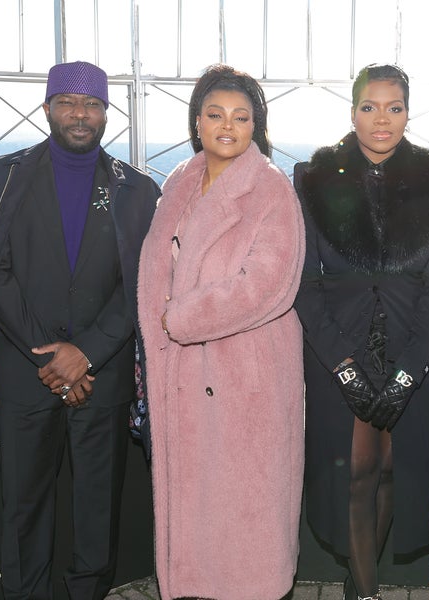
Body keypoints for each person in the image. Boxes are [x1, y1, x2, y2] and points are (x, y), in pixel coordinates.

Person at [0, 61, 160, 600]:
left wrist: (88, 353)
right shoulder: (0, 178)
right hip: (25, 373)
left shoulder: (138, 191)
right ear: (47, 109)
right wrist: (53, 357)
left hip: (102, 377)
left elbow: (144, 286)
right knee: (23, 508)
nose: (80, 115)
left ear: (108, 113)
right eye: (68, 103)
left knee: (97, 510)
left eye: (92, 105)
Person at [135, 64, 306, 600]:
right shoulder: (180, 182)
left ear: (257, 124)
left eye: (240, 116)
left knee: (245, 514)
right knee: (197, 513)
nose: (227, 126)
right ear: (197, 121)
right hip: (182, 373)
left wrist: (182, 319)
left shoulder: (272, 190)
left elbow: (268, 285)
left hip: (244, 376)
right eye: (215, 115)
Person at [293, 64, 429, 600]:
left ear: (409, 113)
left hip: (415, 353)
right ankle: (365, 591)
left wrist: (410, 372)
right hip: (337, 349)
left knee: (391, 473)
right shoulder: (314, 177)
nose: (381, 119)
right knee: (357, 474)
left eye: (394, 107)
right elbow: (305, 284)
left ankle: (357, 579)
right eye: (369, 107)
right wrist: (342, 366)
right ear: (353, 111)